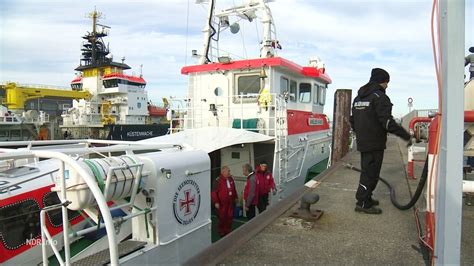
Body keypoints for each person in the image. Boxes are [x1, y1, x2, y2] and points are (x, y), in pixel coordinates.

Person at [350, 68, 411, 214]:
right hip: (375, 142)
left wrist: (361, 134)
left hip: (363, 141)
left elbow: (353, 120)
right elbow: (387, 122)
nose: (387, 85)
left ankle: (367, 198)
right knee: (370, 173)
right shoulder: (380, 97)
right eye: (387, 82)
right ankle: (363, 203)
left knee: (368, 171)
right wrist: (405, 135)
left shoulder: (358, 98)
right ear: (382, 81)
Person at [211, 166, 238, 237]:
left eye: (229, 171)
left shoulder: (231, 179)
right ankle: (222, 231)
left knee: (230, 216)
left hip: (230, 202)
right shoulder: (217, 181)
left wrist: (236, 197)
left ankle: (228, 230)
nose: (229, 172)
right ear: (223, 172)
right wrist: (216, 202)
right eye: (228, 171)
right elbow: (214, 193)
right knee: (222, 217)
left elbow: (234, 189)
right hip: (222, 203)